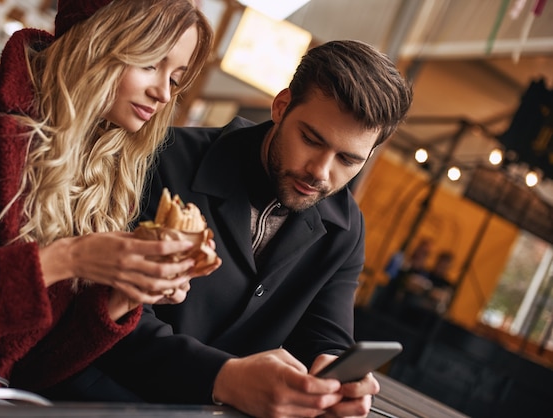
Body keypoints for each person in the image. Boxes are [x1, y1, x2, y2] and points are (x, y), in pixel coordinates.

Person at [47, 39, 413, 417]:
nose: (320, 171)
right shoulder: (160, 158)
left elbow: (326, 335)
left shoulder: (346, 229)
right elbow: (97, 312)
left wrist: (339, 377)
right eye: (311, 139)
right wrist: (224, 377)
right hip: (94, 400)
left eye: (348, 159)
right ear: (281, 106)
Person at [0, 0, 216, 390]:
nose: (164, 93)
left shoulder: (108, 172)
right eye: (149, 63)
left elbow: (33, 371)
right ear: (94, 39)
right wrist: (69, 258)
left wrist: (125, 296)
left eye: (176, 78)